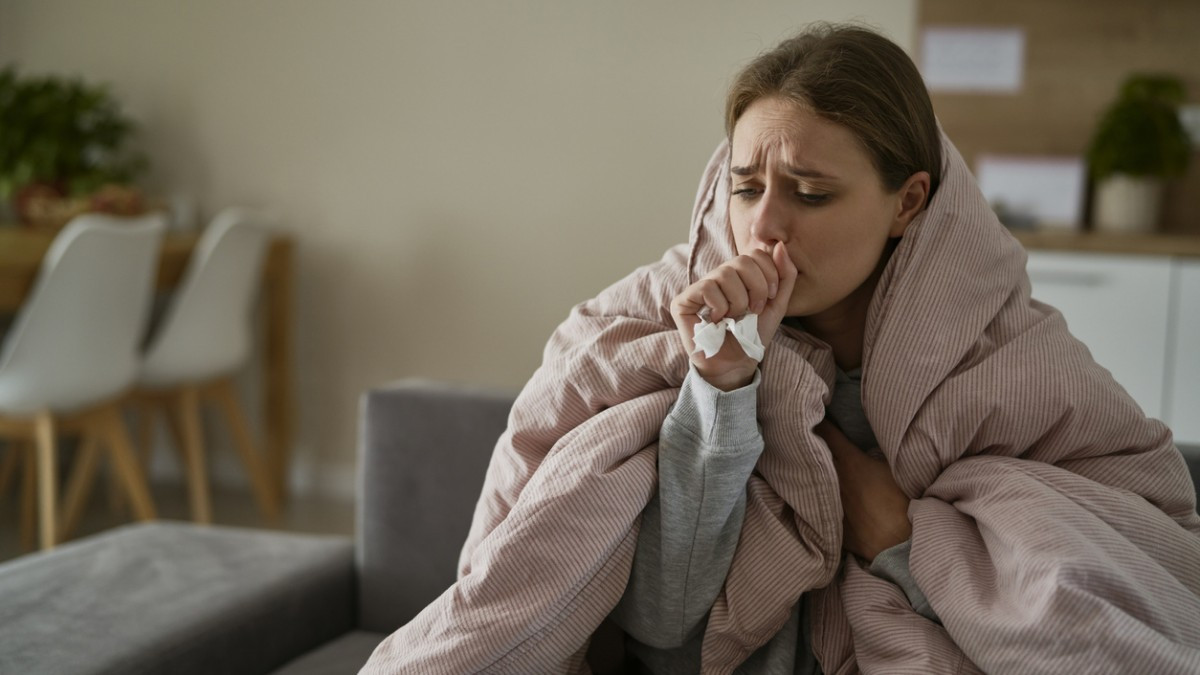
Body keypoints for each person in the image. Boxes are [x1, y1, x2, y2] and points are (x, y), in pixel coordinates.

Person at [361, 23, 1200, 675]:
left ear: (908, 202)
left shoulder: (1011, 353)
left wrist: (909, 543)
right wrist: (720, 391)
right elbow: (661, 624)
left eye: (810, 193)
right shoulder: (650, 323)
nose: (761, 227)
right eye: (746, 186)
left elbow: (1126, 579)